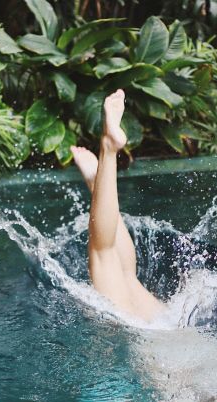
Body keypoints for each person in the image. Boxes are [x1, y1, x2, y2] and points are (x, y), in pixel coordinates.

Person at [70, 89, 166, 322]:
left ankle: (105, 161)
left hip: (167, 328)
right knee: (120, 271)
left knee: (119, 269)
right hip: (166, 332)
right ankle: (104, 161)